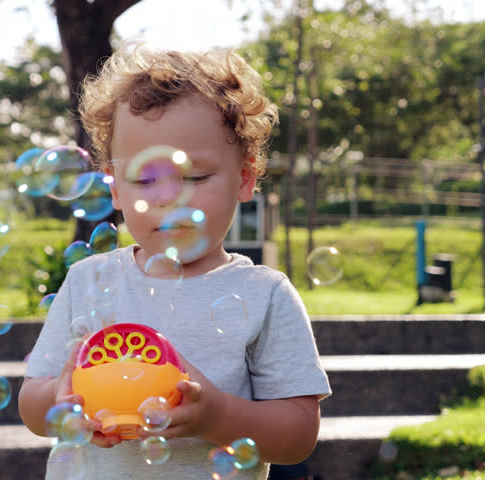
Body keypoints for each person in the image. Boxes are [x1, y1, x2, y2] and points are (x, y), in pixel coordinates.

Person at [19, 45, 331, 480]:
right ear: (114, 188)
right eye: (145, 179)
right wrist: (63, 401)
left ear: (245, 177)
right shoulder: (88, 279)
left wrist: (215, 416)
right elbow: (32, 403)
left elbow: (297, 437)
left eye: (196, 177)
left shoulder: (264, 293)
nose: (168, 197)